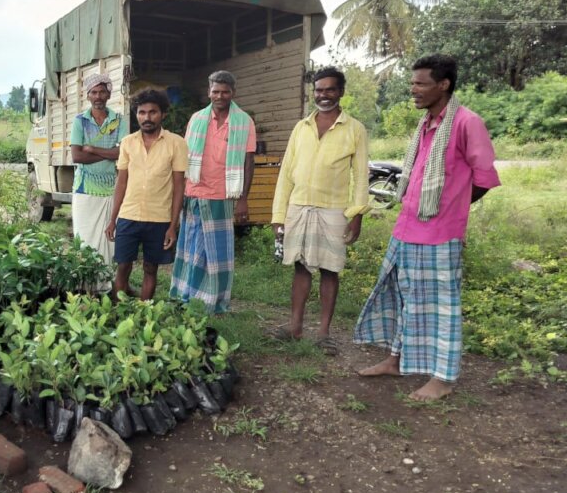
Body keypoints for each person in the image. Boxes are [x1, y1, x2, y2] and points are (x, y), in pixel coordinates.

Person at [355, 54, 500, 401]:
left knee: (442, 307)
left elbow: (484, 178)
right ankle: (396, 360)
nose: (413, 89)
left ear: (443, 85)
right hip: (407, 228)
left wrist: (452, 208)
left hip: (440, 234)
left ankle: (443, 378)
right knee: (404, 297)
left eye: (420, 83)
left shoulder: (466, 123)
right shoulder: (426, 124)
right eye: (412, 83)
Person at [270, 67, 369, 354]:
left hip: (333, 210)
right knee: (300, 267)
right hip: (299, 206)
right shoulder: (301, 127)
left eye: (330, 89)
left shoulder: (355, 129)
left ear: (341, 92)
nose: (323, 95)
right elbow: (286, 173)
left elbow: (361, 176)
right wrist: (278, 215)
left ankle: (324, 333)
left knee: (329, 269)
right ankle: (295, 326)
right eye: (319, 90)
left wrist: (357, 215)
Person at [170, 70, 256, 313]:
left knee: (217, 255)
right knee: (191, 250)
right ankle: (185, 296)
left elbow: (248, 161)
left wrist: (243, 199)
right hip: (194, 192)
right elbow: (184, 157)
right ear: (209, 92)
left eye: (225, 92)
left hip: (222, 195)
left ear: (233, 93)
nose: (220, 96)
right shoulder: (197, 119)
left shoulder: (244, 122)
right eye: (215, 91)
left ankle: (215, 301)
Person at [105, 89, 188, 300]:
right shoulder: (128, 142)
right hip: (128, 215)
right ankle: (119, 310)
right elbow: (121, 182)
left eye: (153, 112)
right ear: (136, 115)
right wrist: (113, 219)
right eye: (142, 112)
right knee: (123, 265)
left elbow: (179, 186)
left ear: (163, 114)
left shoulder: (176, 143)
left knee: (151, 267)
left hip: (159, 218)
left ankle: (145, 312)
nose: (147, 117)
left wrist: (173, 226)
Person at [69, 73, 127, 270]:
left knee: (110, 240)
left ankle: (106, 281)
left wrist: (92, 149)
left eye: (102, 92)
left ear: (108, 95)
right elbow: (77, 156)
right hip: (84, 189)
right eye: (93, 92)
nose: (98, 96)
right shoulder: (80, 121)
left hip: (111, 189)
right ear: (88, 96)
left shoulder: (118, 120)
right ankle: (88, 280)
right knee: (84, 237)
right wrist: (110, 154)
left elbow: (123, 152)